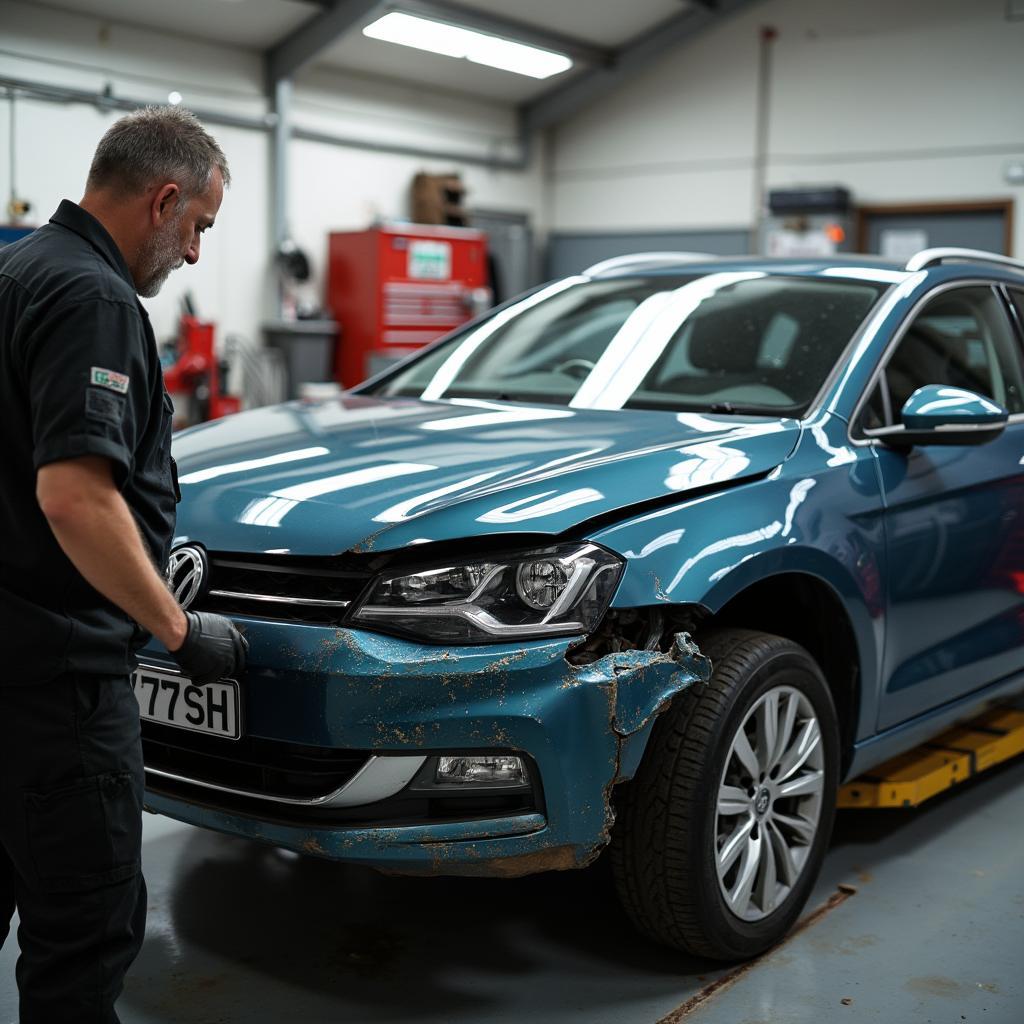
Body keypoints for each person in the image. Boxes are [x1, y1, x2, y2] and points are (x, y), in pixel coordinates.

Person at [0, 106, 247, 1023]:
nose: (191, 256)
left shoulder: (14, 270)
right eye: (199, 231)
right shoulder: (95, 299)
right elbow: (75, 496)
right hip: (60, 695)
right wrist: (177, 629)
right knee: (82, 942)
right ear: (165, 200)